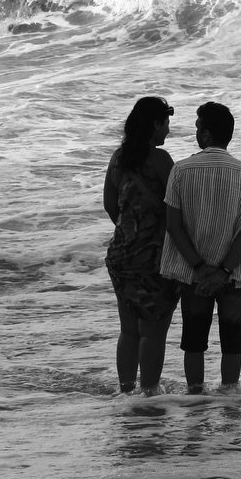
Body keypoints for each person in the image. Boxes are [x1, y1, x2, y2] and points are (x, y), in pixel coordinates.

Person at [161, 101, 241, 393]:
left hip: (194, 274)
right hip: (233, 273)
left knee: (193, 342)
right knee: (233, 342)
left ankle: (195, 400)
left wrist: (200, 268)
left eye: (197, 128)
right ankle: (231, 400)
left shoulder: (181, 170)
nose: (195, 133)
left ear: (205, 135)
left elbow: (173, 226)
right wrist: (224, 270)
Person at [103, 96, 177, 394]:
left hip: (121, 254)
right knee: (154, 331)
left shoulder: (118, 158)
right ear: (154, 124)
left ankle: (125, 392)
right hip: (154, 257)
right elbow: (176, 209)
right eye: (166, 123)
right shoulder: (161, 160)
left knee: (129, 329)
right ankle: (148, 394)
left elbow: (110, 206)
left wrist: (132, 231)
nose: (168, 131)